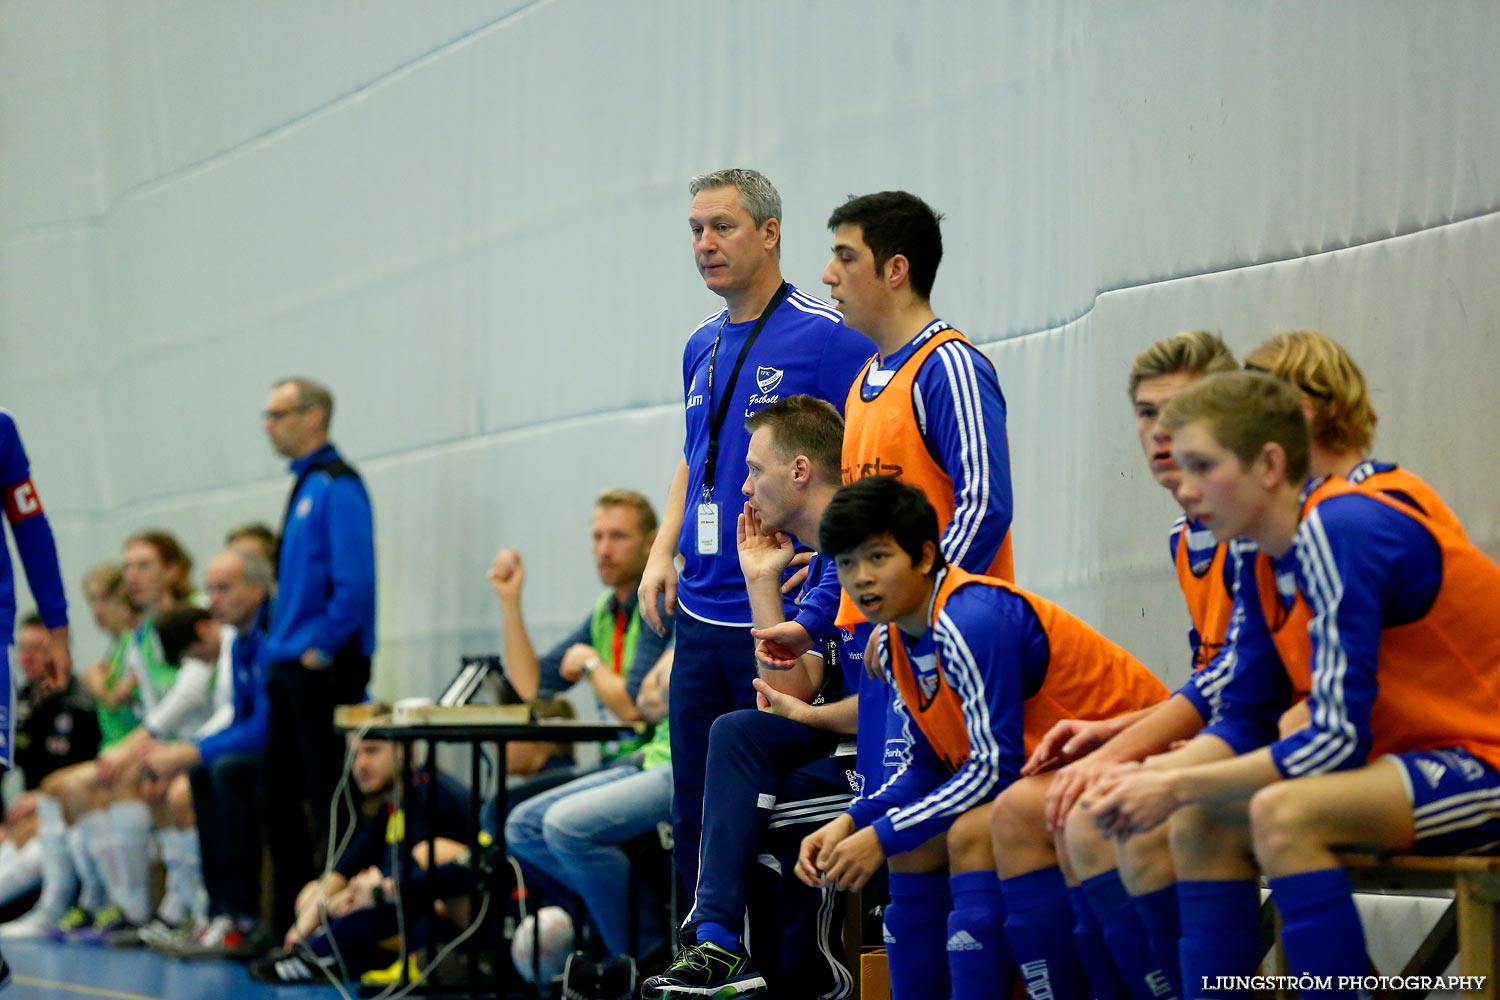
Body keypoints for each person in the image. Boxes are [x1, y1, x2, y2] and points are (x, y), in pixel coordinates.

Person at [1088, 370, 1500, 1000]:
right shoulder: (1258, 555)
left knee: (1284, 814)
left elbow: (1334, 739)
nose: (1186, 489)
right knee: (1197, 823)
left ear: (1271, 464)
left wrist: (1172, 779)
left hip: (1483, 760)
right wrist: (1147, 780)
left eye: (1204, 466)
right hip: (1413, 760)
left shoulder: (1340, 527)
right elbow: (1246, 715)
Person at [797, 477, 1168, 1000]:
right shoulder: (903, 637)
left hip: (1145, 755)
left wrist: (879, 835)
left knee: (975, 827)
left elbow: (995, 768)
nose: (861, 578)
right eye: (846, 564)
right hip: (1051, 771)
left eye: (877, 557)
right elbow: (930, 768)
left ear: (925, 556)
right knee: (915, 843)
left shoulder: (969, 619)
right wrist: (854, 821)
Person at [637, 168, 873, 901]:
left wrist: (836, 555)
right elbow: (693, 454)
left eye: (723, 227)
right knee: (691, 805)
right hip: (702, 603)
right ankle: (699, 958)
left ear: (770, 233)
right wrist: (659, 551)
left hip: (775, 610)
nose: (705, 244)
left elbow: (861, 458)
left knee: (755, 801)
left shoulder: (830, 336)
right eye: (696, 231)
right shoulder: (698, 345)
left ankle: (766, 961)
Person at [1004, 331, 1239, 1000]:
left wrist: (1125, 745)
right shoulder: (1185, 536)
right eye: (1146, 412)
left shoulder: (1260, 525)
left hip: (1295, 738)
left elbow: (1249, 681)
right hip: (1239, 727)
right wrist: (1118, 733)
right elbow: (1222, 676)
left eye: (1182, 408)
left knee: (1097, 812)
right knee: (1027, 810)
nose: (1162, 430)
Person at [642, 396, 870, 1000]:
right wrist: (760, 580)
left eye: (753, 470)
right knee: (737, 732)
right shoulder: (826, 562)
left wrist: (808, 714)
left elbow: (897, 708)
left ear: (799, 471)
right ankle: (716, 935)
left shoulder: (871, 554)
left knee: (756, 815)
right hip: (845, 738)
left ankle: (808, 983)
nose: (743, 487)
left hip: (895, 757)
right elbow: (789, 688)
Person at [1, 530, 204, 941]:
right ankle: (94, 902)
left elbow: (189, 694)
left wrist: (130, 732)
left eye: (143, 565)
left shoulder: (189, 617)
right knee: (66, 787)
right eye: (128, 566)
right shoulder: (140, 638)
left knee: (111, 781)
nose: (132, 575)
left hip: (189, 745)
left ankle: (154, 907)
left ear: (173, 570)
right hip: (158, 746)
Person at [259, 377, 376, 932]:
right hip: (289, 666)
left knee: (327, 798)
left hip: (319, 670)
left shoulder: (337, 486)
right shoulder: (305, 485)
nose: (269, 425)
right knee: (277, 797)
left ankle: (325, 927)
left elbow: (354, 584)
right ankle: (282, 920)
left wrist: (322, 648)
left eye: (279, 413)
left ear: (314, 416)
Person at [250, 728, 471, 985]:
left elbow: (402, 879)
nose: (360, 765)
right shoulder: (392, 803)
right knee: (312, 894)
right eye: (354, 755)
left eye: (372, 751)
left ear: (407, 750)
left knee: (386, 890)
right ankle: (337, 956)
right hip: (402, 907)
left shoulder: (431, 795)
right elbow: (346, 865)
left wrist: (339, 904)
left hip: (453, 916)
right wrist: (306, 922)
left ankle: (317, 956)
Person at [488, 488, 671, 796]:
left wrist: (590, 665)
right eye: (597, 537)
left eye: (619, 537)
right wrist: (510, 601)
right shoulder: (605, 610)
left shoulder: (661, 602)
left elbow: (632, 709)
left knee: (523, 818)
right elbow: (531, 688)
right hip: (615, 763)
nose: (605, 550)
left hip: (649, 764)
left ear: (650, 543)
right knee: (506, 806)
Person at [140, 547, 273, 956]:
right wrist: (195, 751)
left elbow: (266, 726)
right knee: (205, 769)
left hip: (293, 751)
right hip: (259, 747)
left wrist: (196, 751)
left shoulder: (271, 638)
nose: (213, 600)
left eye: (223, 588)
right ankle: (219, 912)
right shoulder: (242, 643)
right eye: (209, 589)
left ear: (256, 589)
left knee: (223, 770)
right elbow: (241, 718)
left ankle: (243, 915)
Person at [0, 614, 101, 919]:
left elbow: (90, 771)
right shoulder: (19, 700)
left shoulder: (80, 702)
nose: (27, 656)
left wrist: (43, 800)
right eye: (23, 647)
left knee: (32, 852)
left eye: (38, 647)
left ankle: (55, 910)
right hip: (24, 818)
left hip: (69, 811)